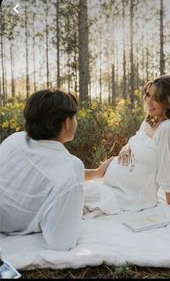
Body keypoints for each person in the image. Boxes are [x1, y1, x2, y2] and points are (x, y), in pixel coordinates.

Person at [0, 89, 113, 251]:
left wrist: (97, 172)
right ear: (65, 122)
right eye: (74, 117)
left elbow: (46, 173)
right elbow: (62, 242)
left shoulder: (15, 140)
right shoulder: (68, 166)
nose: (76, 122)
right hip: (9, 225)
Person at [84, 75, 170, 216]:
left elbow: (168, 169)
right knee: (68, 191)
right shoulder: (150, 121)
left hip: (130, 197)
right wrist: (126, 147)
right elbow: (138, 140)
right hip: (114, 186)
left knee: (71, 194)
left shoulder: (169, 128)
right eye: (148, 95)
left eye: (156, 98)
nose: (149, 101)